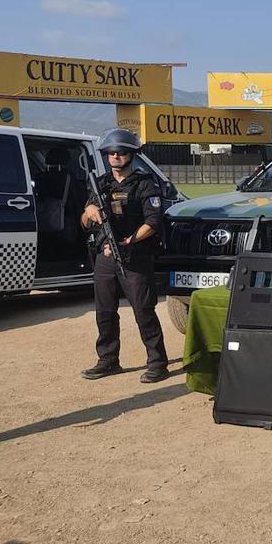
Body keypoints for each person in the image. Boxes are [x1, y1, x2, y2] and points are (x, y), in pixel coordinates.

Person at [80, 128, 169, 384]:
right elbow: (84, 222)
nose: (115, 156)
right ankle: (108, 360)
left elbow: (153, 222)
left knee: (143, 310)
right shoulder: (101, 184)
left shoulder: (145, 183)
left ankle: (157, 362)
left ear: (131, 155)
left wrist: (130, 240)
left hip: (135, 256)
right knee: (104, 311)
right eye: (111, 153)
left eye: (121, 152)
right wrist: (90, 210)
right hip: (105, 257)